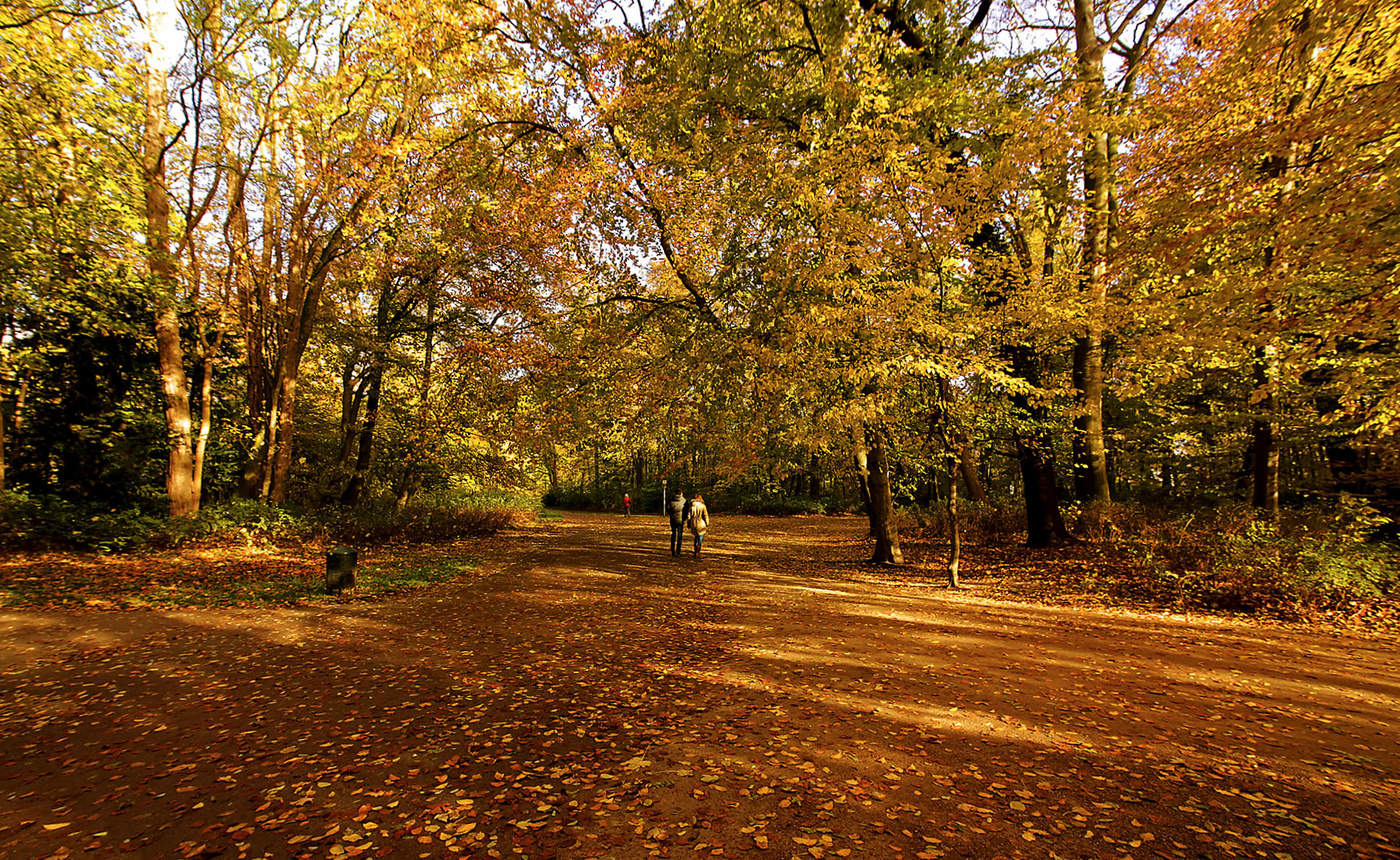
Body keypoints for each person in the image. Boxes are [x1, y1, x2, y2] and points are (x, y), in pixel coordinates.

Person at [687, 492, 709, 557]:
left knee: (696, 536)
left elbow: (689, 516)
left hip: (693, 522)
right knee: (700, 536)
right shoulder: (703, 506)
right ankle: (698, 550)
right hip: (701, 523)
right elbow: (705, 515)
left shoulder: (691, 506)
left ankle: (695, 549)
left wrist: (688, 523)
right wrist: (707, 523)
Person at [666, 490, 687, 557]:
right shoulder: (684, 501)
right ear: (681, 493)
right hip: (680, 520)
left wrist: (671, 515)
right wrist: (684, 518)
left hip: (673, 519)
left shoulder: (671, 500)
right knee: (680, 536)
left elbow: (668, 509)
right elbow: (686, 511)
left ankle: (672, 550)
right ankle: (678, 551)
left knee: (673, 534)